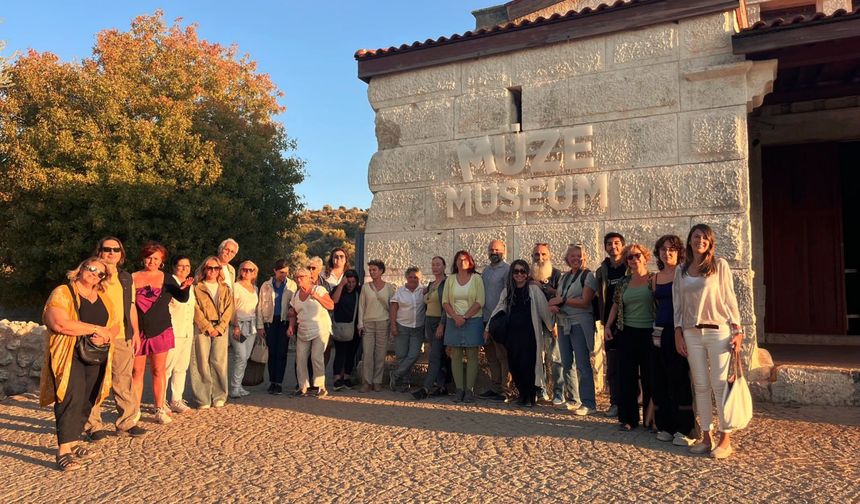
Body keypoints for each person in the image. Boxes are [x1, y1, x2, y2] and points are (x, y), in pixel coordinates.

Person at [40, 258, 120, 471]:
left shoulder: (103, 297)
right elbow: (59, 322)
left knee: (88, 398)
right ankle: (63, 451)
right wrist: (96, 329)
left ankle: (74, 442)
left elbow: (114, 326)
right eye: (91, 268)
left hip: (95, 355)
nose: (95, 274)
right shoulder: (63, 292)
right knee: (70, 397)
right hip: (69, 355)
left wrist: (105, 336)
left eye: (100, 273)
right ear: (81, 269)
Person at [673, 224, 744, 459]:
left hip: (718, 331)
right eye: (696, 236)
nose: (699, 241)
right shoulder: (681, 270)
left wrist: (738, 330)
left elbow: (730, 298)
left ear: (710, 242)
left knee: (719, 384)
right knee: (701, 386)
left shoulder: (719, 266)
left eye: (704, 237)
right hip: (691, 333)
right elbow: (678, 305)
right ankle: (706, 436)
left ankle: (726, 439)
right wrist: (678, 332)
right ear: (689, 240)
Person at [86, 237, 145, 439]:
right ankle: (93, 426)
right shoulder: (93, 274)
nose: (112, 253)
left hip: (122, 337)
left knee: (123, 380)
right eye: (107, 249)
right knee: (96, 381)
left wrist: (135, 333)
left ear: (121, 254)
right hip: (97, 336)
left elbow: (131, 306)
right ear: (99, 251)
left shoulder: (126, 278)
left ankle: (126, 423)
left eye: (116, 249)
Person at [131, 242, 193, 424]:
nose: (152, 261)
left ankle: (159, 408)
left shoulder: (167, 278)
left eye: (156, 258)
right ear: (143, 258)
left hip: (161, 329)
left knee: (159, 370)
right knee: (137, 371)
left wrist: (185, 288)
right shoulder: (132, 277)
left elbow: (181, 298)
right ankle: (134, 410)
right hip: (138, 331)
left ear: (162, 261)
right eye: (149, 257)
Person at [650, 235, 697, 446]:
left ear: (679, 252)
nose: (667, 253)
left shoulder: (685, 274)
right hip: (659, 332)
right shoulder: (655, 278)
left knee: (679, 378)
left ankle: (684, 427)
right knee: (660, 378)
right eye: (663, 249)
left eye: (671, 249)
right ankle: (665, 425)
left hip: (679, 330)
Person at [486, 259, 553, 407]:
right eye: (516, 271)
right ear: (512, 274)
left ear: (527, 273)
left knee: (528, 365)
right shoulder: (507, 291)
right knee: (515, 365)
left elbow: (543, 309)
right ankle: (522, 394)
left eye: (522, 271)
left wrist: (551, 326)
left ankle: (530, 396)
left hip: (530, 335)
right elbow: (498, 309)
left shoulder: (534, 290)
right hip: (512, 335)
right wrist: (488, 328)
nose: (519, 274)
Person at [605, 243, 654, 431]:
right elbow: (616, 306)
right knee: (627, 377)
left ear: (645, 257)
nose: (634, 260)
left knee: (650, 377)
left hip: (649, 333)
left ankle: (650, 419)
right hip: (627, 332)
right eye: (630, 257)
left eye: (637, 256)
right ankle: (629, 418)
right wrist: (608, 326)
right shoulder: (624, 282)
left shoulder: (653, 279)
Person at [549, 244, 598, 416]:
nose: (575, 258)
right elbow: (559, 298)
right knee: (567, 362)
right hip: (563, 322)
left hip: (579, 322)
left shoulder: (588, 276)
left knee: (583, 364)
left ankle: (589, 402)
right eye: (572, 256)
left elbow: (585, 301)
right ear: (567, 258)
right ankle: (573, 398)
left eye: (579, 255)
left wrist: (561, 301)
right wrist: (554, 305)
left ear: (584, 257)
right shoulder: (565, 277)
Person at [190, 256, 235, 408]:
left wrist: (221, 327)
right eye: (210, 268)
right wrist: (207, 326)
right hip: (202, 327)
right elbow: (194, 308)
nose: (213, 271)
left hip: (221, 327)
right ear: (204, 269)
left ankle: (219, 395)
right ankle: (203, 398)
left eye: (216, 268)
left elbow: (230, 308)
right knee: (200, 361)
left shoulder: (225, 288)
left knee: (219, 361)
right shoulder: (196, 287)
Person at [442, 250, 485, 403]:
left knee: (473, 355)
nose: (462, 262)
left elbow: (480, 301)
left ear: (470, 262)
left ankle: (469, 390)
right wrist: (455, 317)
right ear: (455, 262)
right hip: (453, 320)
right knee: (456, 355)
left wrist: (465, 317)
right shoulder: (450, 279)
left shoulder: (477, 279)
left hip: (472, 320)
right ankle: (459, 389)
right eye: (459, 260)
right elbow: (445, 301)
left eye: (465, 260)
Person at [288, 267, 335, 397]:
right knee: (300, 358)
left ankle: (321, 386)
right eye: (297, 277)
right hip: (303, 329)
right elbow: (292, 312)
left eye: (302, 277)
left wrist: (317, 297)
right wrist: (291, 326)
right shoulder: (296, 294)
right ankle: (303, 387)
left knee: (316, 356)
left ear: (309, 278)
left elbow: (331, 305)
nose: (299, 279)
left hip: (320, 328)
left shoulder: (319, 289)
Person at [595, 232, 626, 418]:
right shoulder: (602, 271)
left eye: (616, 243)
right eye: (609, 244)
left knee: (631, 365)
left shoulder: (629, 267)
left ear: (622, 245)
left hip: (630, 323)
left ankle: (632, 403)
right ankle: (615, 402)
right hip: (609, 325)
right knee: (613, 366)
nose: (613, 246)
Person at [531, 242, 566, 405]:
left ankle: (559, 392)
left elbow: (561, 296)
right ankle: (541, 390)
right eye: (537, 254)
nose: (540, 257)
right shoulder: (529, 275)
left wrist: (543, 286)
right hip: (535, 323)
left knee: (556, 358)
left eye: (543, 254)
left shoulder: (557, 274)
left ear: (549, 256)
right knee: (538, 358)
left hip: (554, 324)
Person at [412, 256, 451, 400]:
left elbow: (447, 306)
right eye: (433, 264)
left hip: (439, 322)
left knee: (433, 356)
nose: (435, 267)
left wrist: (442, 324)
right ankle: (441, 386)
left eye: (438, 264)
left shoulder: (447, 283)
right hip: (428, 322)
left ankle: (426, 388)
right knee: (437, 355)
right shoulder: (430, 284)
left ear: (444, 266)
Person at [256, 259, 296, 395]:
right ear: (275, 271)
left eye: (286, 272)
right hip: (270, 321)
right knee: (272, 353)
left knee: (281, 353)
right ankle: (272, 381)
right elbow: (260, 306)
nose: (283, 275)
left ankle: (278, 382)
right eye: (281, 272)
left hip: (284, 321)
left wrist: (292, 325)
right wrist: (260, 326)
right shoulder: (266, 285)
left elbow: (294, 306)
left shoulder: (292, 285)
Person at [357, 259, 395, 392]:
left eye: (374, 270)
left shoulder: (389, 288)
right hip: (368, 323)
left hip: (383, 323)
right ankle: (366, 382)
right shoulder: (366, 287)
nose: (372, 272)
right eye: (370, 270)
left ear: (381, 271)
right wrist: (360, 324)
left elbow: (392, 307)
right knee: (367, 354)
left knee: (380, 354)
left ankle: (377, 381)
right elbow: (361, 306)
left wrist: (392, 324)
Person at [479, 240, 510, 402]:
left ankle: (506, 390)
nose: (494, 252)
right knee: (491, 356)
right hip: (485, 319)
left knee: (502, 356)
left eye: (497, 250)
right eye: (491, 249)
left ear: (504, 251)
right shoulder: (486, 270)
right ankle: (495, 386)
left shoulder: (508, 269)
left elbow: (507, 296)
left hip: (499, 320)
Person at [165, 255, 196, 414]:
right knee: (166, 368)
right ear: (174, 267)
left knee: (181, 368)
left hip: (187, 332)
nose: (184, 269)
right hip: (173, 331)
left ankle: (176, 399)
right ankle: (161, 400)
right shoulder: (170, 284)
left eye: (187, 266)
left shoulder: (192, 286)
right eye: (181, 266)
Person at [389, 266, 426, 392]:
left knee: (414, 354)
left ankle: (396, 374)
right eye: (410, 277)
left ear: (420, 278)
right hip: (402, 327)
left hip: (418, 328)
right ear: (406, 277)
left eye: (415, 277)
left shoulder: (424, 290)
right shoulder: (400, 291)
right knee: (401, 356)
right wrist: (393, 325)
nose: (413, 279)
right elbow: (393, 308)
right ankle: (404, 383)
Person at [229, 260, 260, 398]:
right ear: (240, 271)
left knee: (246, 357)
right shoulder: (235, 287)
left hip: (251, 325)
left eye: (250, 270)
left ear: (255, 273)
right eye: (244, 270)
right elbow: (232, 307)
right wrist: (235, 326)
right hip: (238, 325)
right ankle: (234, 387)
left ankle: (239, 385)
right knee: (240, 356)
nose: (247, 272)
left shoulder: (255, 288)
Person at [331, 269, 361, 390]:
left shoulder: (358, 291)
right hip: (340, 326)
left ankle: (347, 377)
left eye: (353, 282)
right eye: (348, 282)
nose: (351, 284)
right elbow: (334, 301)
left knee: (351, 353)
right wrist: (341, 285)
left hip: (354, 327)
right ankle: (337, 378)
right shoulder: (338, 290)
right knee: (340, 353)